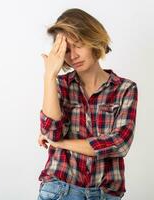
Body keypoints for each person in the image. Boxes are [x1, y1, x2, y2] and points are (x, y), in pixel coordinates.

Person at [37, 8, 138, 200]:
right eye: (66, 50)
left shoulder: (125, 88)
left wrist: (61, 143)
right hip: (60, 189)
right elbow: (52, 133)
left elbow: (119, 144)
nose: (73, 55)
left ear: (94, 40)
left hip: (105, 194)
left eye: (78, 45)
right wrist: (49, 77)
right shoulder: (61, 85)